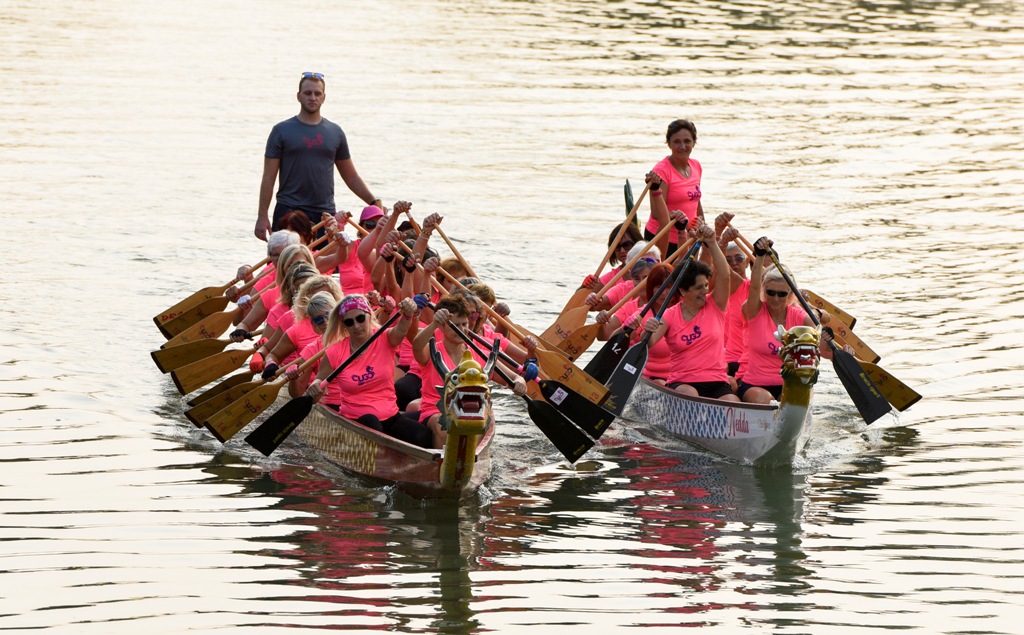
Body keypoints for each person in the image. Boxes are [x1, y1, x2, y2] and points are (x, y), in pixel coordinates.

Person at [254, 72, 382, 242]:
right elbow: (268, 178)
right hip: (290, 211)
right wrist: (262, 217)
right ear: (298, 96)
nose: (312, 97)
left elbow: (351, 176)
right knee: (286, 265)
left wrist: (373, 201)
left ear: (324, 97)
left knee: (326, 266)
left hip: (325, 214)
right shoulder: (281, 131)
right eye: (307, 93)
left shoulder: (335, 132)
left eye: (317, 93)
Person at [306, 294, 432, 448]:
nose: (356, 326)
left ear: (369, 316)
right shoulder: (334, 352)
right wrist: (316, 386)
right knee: (372, 423)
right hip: (355, 421)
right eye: (349, 322)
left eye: (360, 319)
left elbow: (403, 327)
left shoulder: (385, 338)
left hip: (390, 417)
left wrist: (408, 312)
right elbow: (319, 381)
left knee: (422, 435)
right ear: (343, 325)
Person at [644, 221, 739, 401]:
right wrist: (647, 330)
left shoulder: (716, 305)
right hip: (683, 383)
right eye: (698, 288)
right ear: (682, 291)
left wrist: (712, 242)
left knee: (732, 401)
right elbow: (649, 341)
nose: (705, 291)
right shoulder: (670, 315)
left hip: (717, 382)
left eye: (705, 286)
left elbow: (725, 275)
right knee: (691, 395)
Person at [737, 237, 820, 404]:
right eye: (770, 292)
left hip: (789, 385)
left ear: (790, 294)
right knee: (765, 399)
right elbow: (753, 287)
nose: (775, 298)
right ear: (764, 290)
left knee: (793, 397)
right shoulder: (754, 311)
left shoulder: (800, 317)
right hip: (755, 385)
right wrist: (759, 256)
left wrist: (837, 347)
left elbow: (820, 347)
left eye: (782, 294)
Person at [647, 119, 705, 257]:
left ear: (694, 142)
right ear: (669, 144)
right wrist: (680, 220)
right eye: (677, 142)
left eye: (687, 141)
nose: (682, 146)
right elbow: (656, 213)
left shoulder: (696, 166)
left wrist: (701, 222)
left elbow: (695, 201)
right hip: (665, 238)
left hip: (689, 237)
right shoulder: (661, 171)